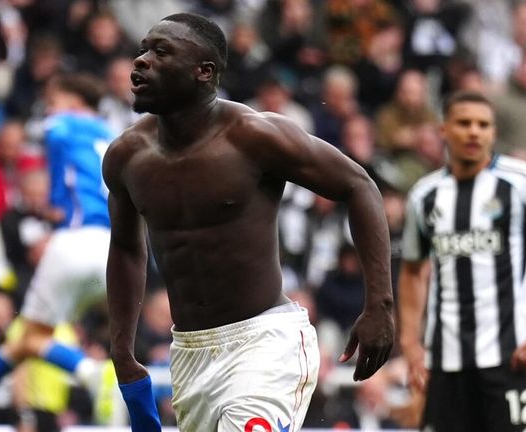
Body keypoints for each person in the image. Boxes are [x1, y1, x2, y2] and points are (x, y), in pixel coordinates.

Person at [102, 13, 395, 432]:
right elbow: (128, 248)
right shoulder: (126, 157)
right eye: (143, 49)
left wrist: (380, 304)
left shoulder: (255, 136)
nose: (141, 61)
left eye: (161, 52)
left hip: (265, 344)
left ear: (204, 72)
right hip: (189, 353)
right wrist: (122, 349)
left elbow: (360, 185)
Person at [398, 91, 526, 432]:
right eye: (464, 123)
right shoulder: (423, 197)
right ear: (443, 130)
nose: (474, 131)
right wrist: (410, 343)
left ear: (493, 132)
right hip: (445, 363)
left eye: (483, 124)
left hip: (511, 357)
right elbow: (413, 270)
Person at [0, 73, 114, 409]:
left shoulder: (64, 123)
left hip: (74, 243)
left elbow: (23, 139)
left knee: (31, 337)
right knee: (32, 335)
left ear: (74, 103)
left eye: (54, 101)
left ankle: (91, 371)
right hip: (112, 250)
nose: (49, 108)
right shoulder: (116, 137)